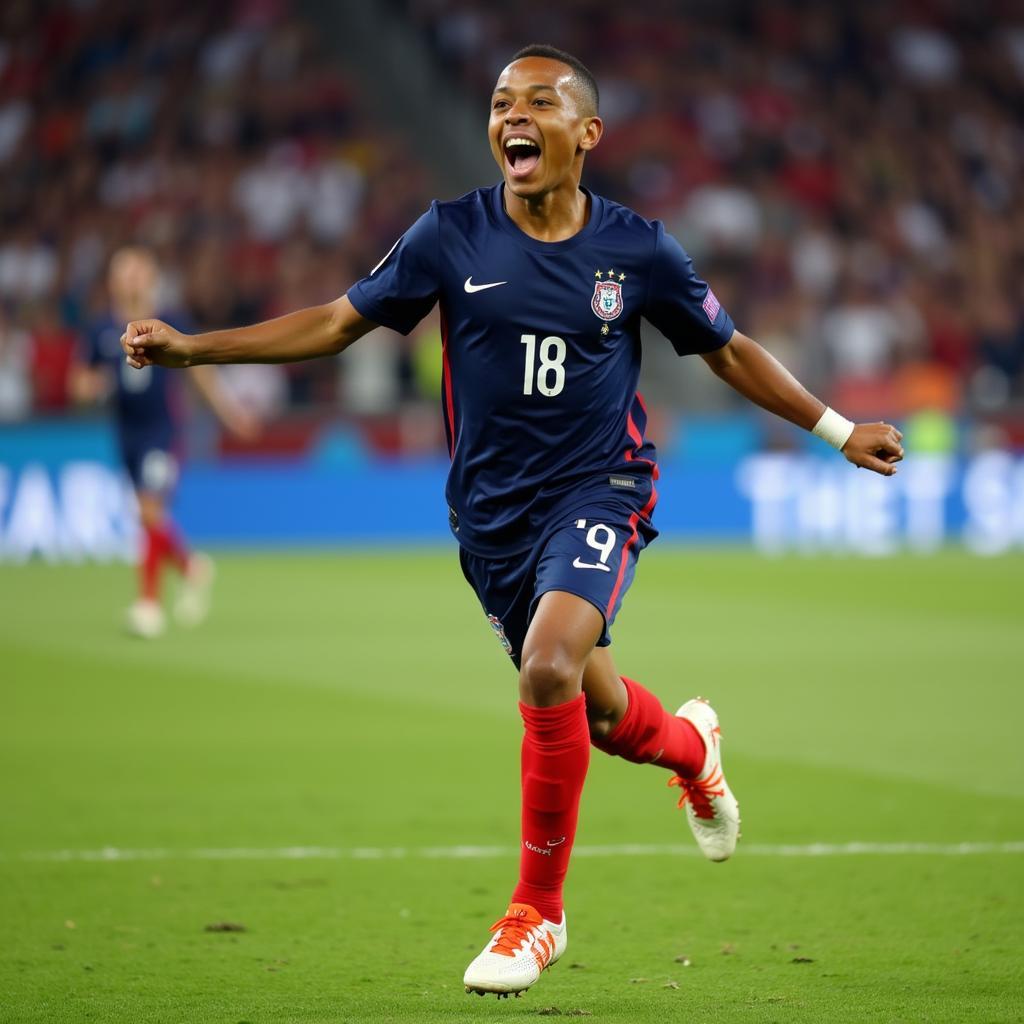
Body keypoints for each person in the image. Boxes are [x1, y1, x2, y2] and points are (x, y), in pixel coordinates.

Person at [120, 46, 903, 994]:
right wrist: (195, 351)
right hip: (491, 524)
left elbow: (726, 350)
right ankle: (694, 748)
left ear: (587, 134)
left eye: (539, 101)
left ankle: (537, 914)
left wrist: (835, 429)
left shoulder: (638, 250)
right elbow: (336, 322)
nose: (512, 116)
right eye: (500, 103)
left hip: (601, 489)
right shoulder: (450, 236)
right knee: (601, 714)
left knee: (546, 668)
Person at [73, 246, 257, 638]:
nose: (132, 279)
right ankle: (192, 568)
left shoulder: (168, 321)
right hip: (126, 432)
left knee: (151, 510)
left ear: (152, 277)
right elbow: (79, 382)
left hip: (164, 430)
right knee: (146, 514)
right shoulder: (101, 329)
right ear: (112, 280)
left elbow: (200, 373)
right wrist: (93, 386)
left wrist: (230, 413)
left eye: (139, 271)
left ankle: (148, 605)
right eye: (124, 272)